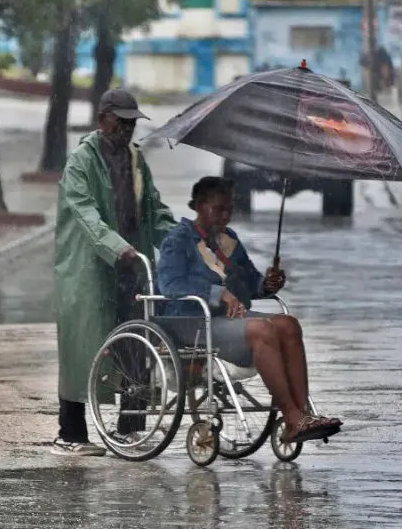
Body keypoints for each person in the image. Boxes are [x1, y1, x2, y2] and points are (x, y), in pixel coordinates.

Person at [157, 176, 342, 444]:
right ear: (198, 206)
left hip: (225, 321)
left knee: (289, 325)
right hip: (191, 321)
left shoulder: (229, 240)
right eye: (218, 209)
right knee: (262, 330)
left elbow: (250, 283)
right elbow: (170, 285)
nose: (225, 215)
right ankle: (292, 418)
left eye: (229, 209)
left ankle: (303, 415)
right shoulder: (178, 240)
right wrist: (219, 293)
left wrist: (267, 284)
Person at [52, 88, 178, 456]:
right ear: (102, 119)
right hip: (89, 270)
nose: (127, 130)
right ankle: (71, 434)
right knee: (83, 349)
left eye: (131, 124)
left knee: (136, 344)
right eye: (120, 122)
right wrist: (115, 246)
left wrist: (184, 241)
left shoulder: (136, 161)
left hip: (132, 266)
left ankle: (131, 429)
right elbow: (85, 212)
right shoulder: (81, 161)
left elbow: (154, 210)